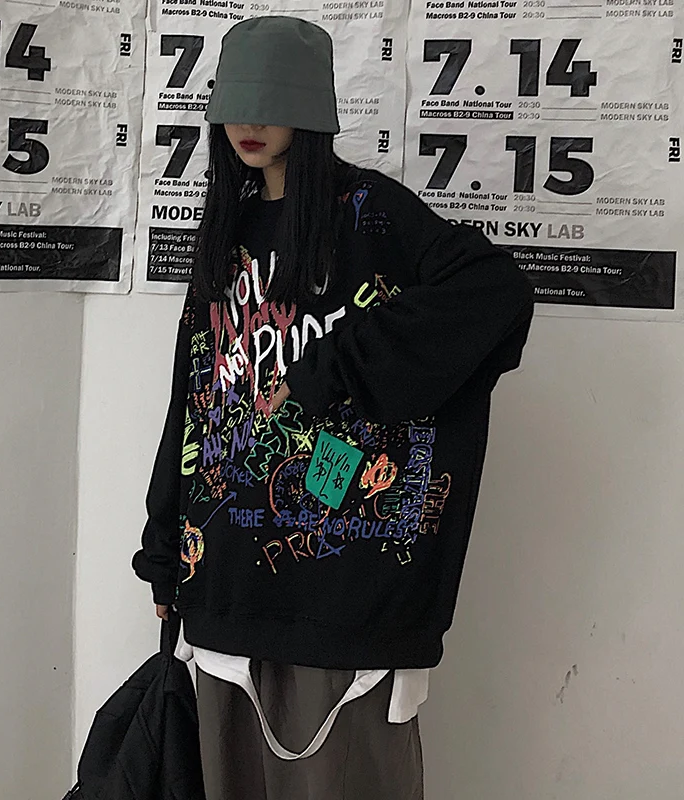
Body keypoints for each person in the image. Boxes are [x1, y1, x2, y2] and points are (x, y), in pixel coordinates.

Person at [133, 15, 534, 800]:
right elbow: (196, 396)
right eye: (236, 103)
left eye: (272, 102)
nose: (249, 123)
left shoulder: (370, 213)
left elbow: (494, 294)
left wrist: (334, 368)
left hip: (343, 590)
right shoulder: (227, 225)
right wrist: (163, 543)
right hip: (223, 585)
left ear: (311, 110)